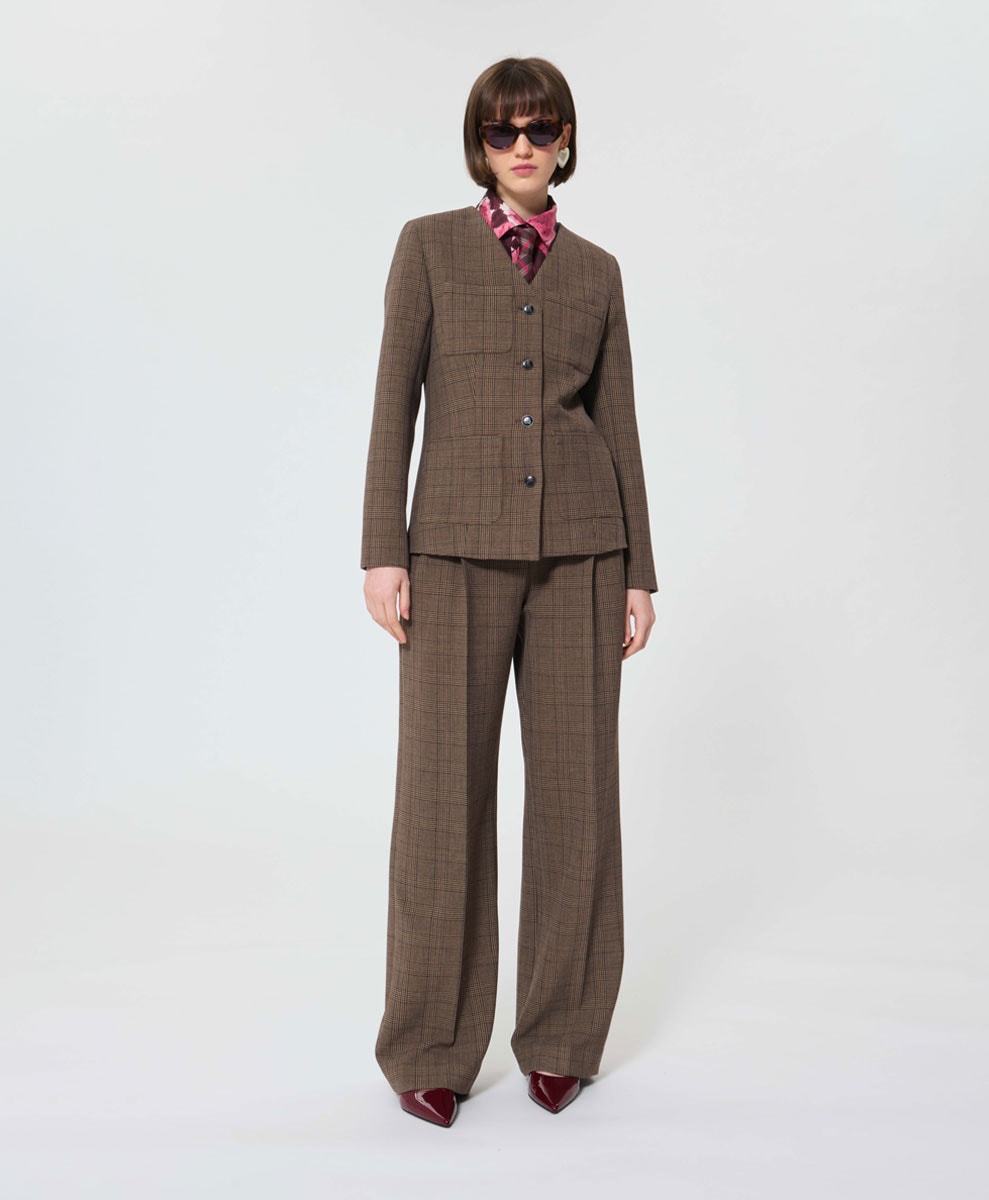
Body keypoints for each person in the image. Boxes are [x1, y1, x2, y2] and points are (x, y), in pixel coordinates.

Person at [361, 56, 657, 1127]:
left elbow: (618, 425)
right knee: (441, 800)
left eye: (540, 130)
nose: (522, 147)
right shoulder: (428, 247)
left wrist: (638, 571)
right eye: (502, 132)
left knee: (578, 799)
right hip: (450, 553)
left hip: (582, 554)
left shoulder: (599, 273)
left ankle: (563, 1035)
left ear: (566, 141)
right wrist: (382, 550)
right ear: (479, 145)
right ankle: (431, 1047)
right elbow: (394, 402)